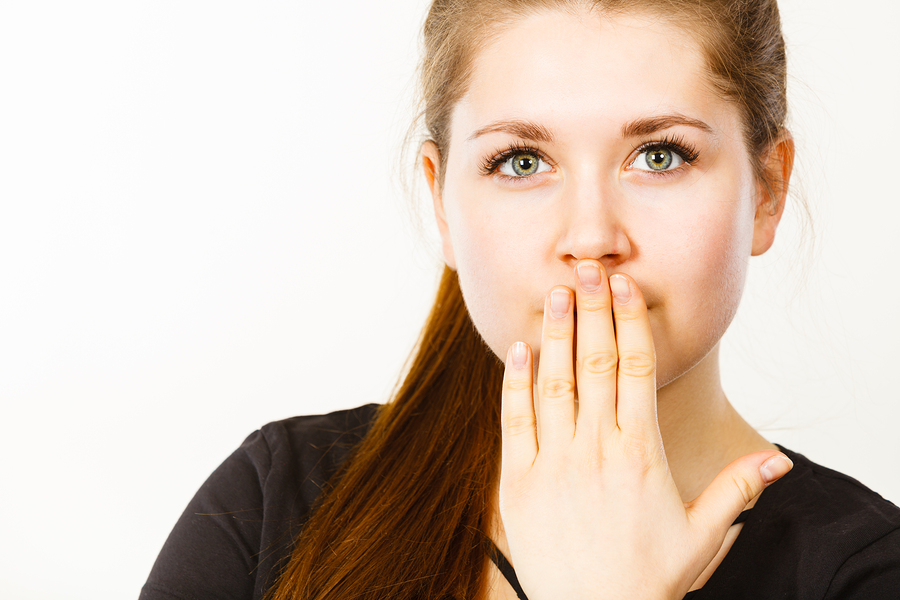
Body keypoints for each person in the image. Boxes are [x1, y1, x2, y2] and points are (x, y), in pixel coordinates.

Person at [140, 0, 900, 598]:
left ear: (767, 190)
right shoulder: (278, 501)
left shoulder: (867, 570)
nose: (592, 235)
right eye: (522, 160)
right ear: (442, 203)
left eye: (660, 156)